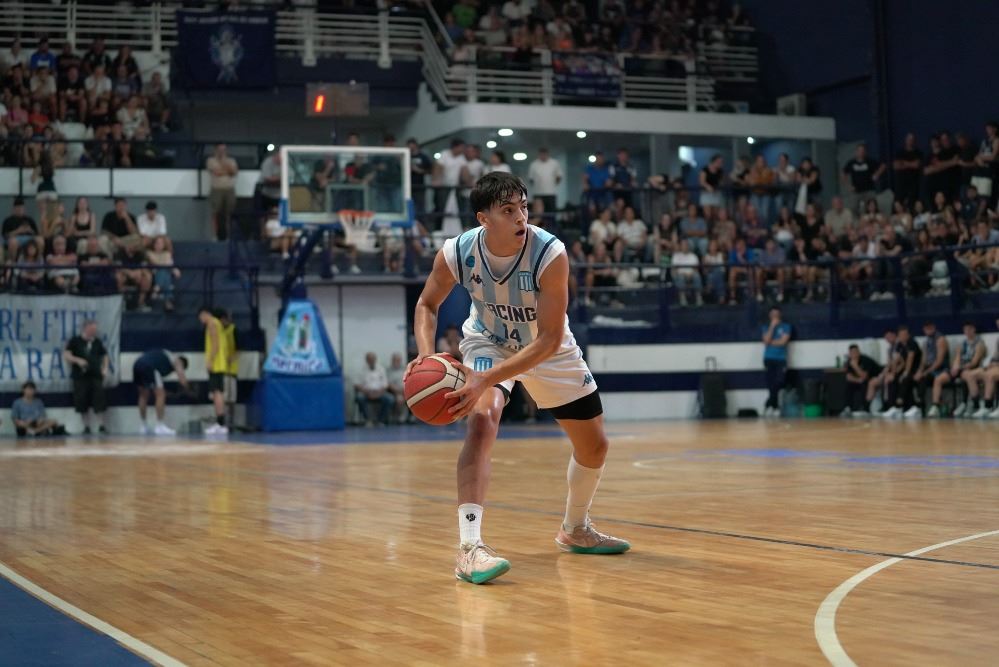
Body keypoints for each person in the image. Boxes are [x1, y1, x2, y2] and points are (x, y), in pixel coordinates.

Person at [405, 171, 629, 585]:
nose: (520, 217)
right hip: (489, 343)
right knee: (483, 419)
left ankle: (575, 528)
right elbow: (426, 304)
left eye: (523, 207)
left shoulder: (550, 253)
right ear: (483, 218)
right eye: (508, 210)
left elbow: (549, 339)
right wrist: (425, 355)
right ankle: (470, 548)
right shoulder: (457, 251)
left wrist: (485, 379)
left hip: (546, 348)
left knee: (595, 446)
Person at [928, 322, 987, 418]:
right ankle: (935, 406)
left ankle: (975, 405)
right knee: (938, 379)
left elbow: (974, 362)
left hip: (970, 368)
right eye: (965, 330)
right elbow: (957, 358)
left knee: (968, 376)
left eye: (969, 329)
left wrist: (961, 368)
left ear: (974, 330)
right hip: (959, 369)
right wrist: (955, 367)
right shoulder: (962, 343)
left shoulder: (979, 343)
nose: (967, 332)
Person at [63, 320, 109, 434]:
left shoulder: (97, 342)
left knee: (99, 399)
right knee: (81, 400)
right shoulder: (75, 341)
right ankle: (86, 426)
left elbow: (105, 356)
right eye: (92, 329)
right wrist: (77, 360)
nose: (94, 331)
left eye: (95, 330)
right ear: (86, 328)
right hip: (80, 376)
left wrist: (105, 368)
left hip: (95, 375)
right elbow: (66, 355)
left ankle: (101, 425)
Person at [133, 348, 191, 436]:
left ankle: (143, 426)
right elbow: (182, 378)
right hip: (149, 367)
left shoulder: (165, 356)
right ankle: (160, 426)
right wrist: (188, 388)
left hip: (137, 364)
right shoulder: (176, 360)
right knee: (161, 395)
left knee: (143, 395)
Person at [879, 324, 922, 419]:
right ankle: (893, 407)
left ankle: (911, 406)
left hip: (914, 369)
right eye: (901, 335)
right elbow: (896, 360)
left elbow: (910, 360)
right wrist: (893, 374)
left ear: (908, 335)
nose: (903, 337)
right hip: (904, 369)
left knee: (905, 379)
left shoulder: (912, 343)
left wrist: (905, 373)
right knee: (892, 380)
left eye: (905, 335)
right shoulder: (899, 345)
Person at [199, 307, 229, 435]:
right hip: (220, 363)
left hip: (216, 364)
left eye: (200, 317)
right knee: (218, 392)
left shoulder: (211, 323)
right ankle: (220, 423)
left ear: (205, 314)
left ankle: (220, 423)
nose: (200, 320)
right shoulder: (218, 323)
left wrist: (210, 360)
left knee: (217, 393)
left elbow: (215, 344)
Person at [912, 321, 949, 417]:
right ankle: (917, 406)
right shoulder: (925, 342)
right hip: (929, 368)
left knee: (924, 378)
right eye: (926, 329)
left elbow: (939, 361)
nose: (928, 330)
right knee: (916, 377)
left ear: (934, 327)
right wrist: (919, 371)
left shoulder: (940, 339)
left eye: (930, 328)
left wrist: (925, 372)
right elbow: (923, 361)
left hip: (941, 368)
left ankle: (932, 406)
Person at [761, 307, 791, 416]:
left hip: (781, 359)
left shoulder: (786, 326)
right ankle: (775, 406)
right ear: (770, 315)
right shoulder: (766, 327)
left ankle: (769, 403)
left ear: (780, 314)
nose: (775, 316)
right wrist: (772, 327)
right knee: (771, 383)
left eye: (776, 313)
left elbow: (783, 342)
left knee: (779, 381)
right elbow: (766, 341)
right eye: (773, 314)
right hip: (769, 358)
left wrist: (771, 342)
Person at [206, 143, 238, 240]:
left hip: (229, 189)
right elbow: (216, 173)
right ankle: (215, 235)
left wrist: (224, 166)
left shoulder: (231, 160)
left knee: (229, 214)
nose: (222, 151)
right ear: (215, 150)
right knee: (215, 213)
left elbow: (233, 172)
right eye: (220, 149)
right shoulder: (211, 160)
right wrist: (226, 170)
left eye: (224, 149)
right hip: (216, 189)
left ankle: (228, 236)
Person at [354, 352, 394, 426]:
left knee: (390, 399)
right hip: (366, 392)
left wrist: (379, 393)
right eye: (369, 359)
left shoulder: (381, 369)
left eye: (373, 359)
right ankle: (368, 420)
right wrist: (366, 392)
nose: (371, 361)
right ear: (366, 360)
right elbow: (357, 384)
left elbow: (385, 384)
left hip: (380, 392)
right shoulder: (361, 370)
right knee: (360, 398)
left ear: (375, 359)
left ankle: (381, 420)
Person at [843, 345, 882, 416]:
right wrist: (858, 380)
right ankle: (848, 407)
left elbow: (864, 376)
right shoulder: (849, 361)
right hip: (860, 380)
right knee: (849, 385)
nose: (854, 354)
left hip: (876, 378)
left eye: (856, 352)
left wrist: (855, 366)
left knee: (864, 384)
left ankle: (865, 408)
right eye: (852, 352)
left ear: (859, 352)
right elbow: (848, 377)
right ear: (849, 353)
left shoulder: (865, 360)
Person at [219, 308, 239, 427]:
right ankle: (222, 420)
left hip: (231, 369)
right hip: (221, 368)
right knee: (222, 397)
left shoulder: (234, 330)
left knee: (231, 398)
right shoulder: (219, 330)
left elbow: (239, 348)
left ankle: (231, 421)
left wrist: (232, 357)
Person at [527, 147, 563, 214]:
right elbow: (531, 179)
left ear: (547, 154)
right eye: (541, 154)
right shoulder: (534, 164)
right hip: (538, 193)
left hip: (551, 193)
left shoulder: (554, 163)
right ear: (539, 154)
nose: (543, 156)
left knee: (551, 214)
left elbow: (559, 176)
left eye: (544, 154)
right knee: (538, 214)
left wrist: (552, 184)